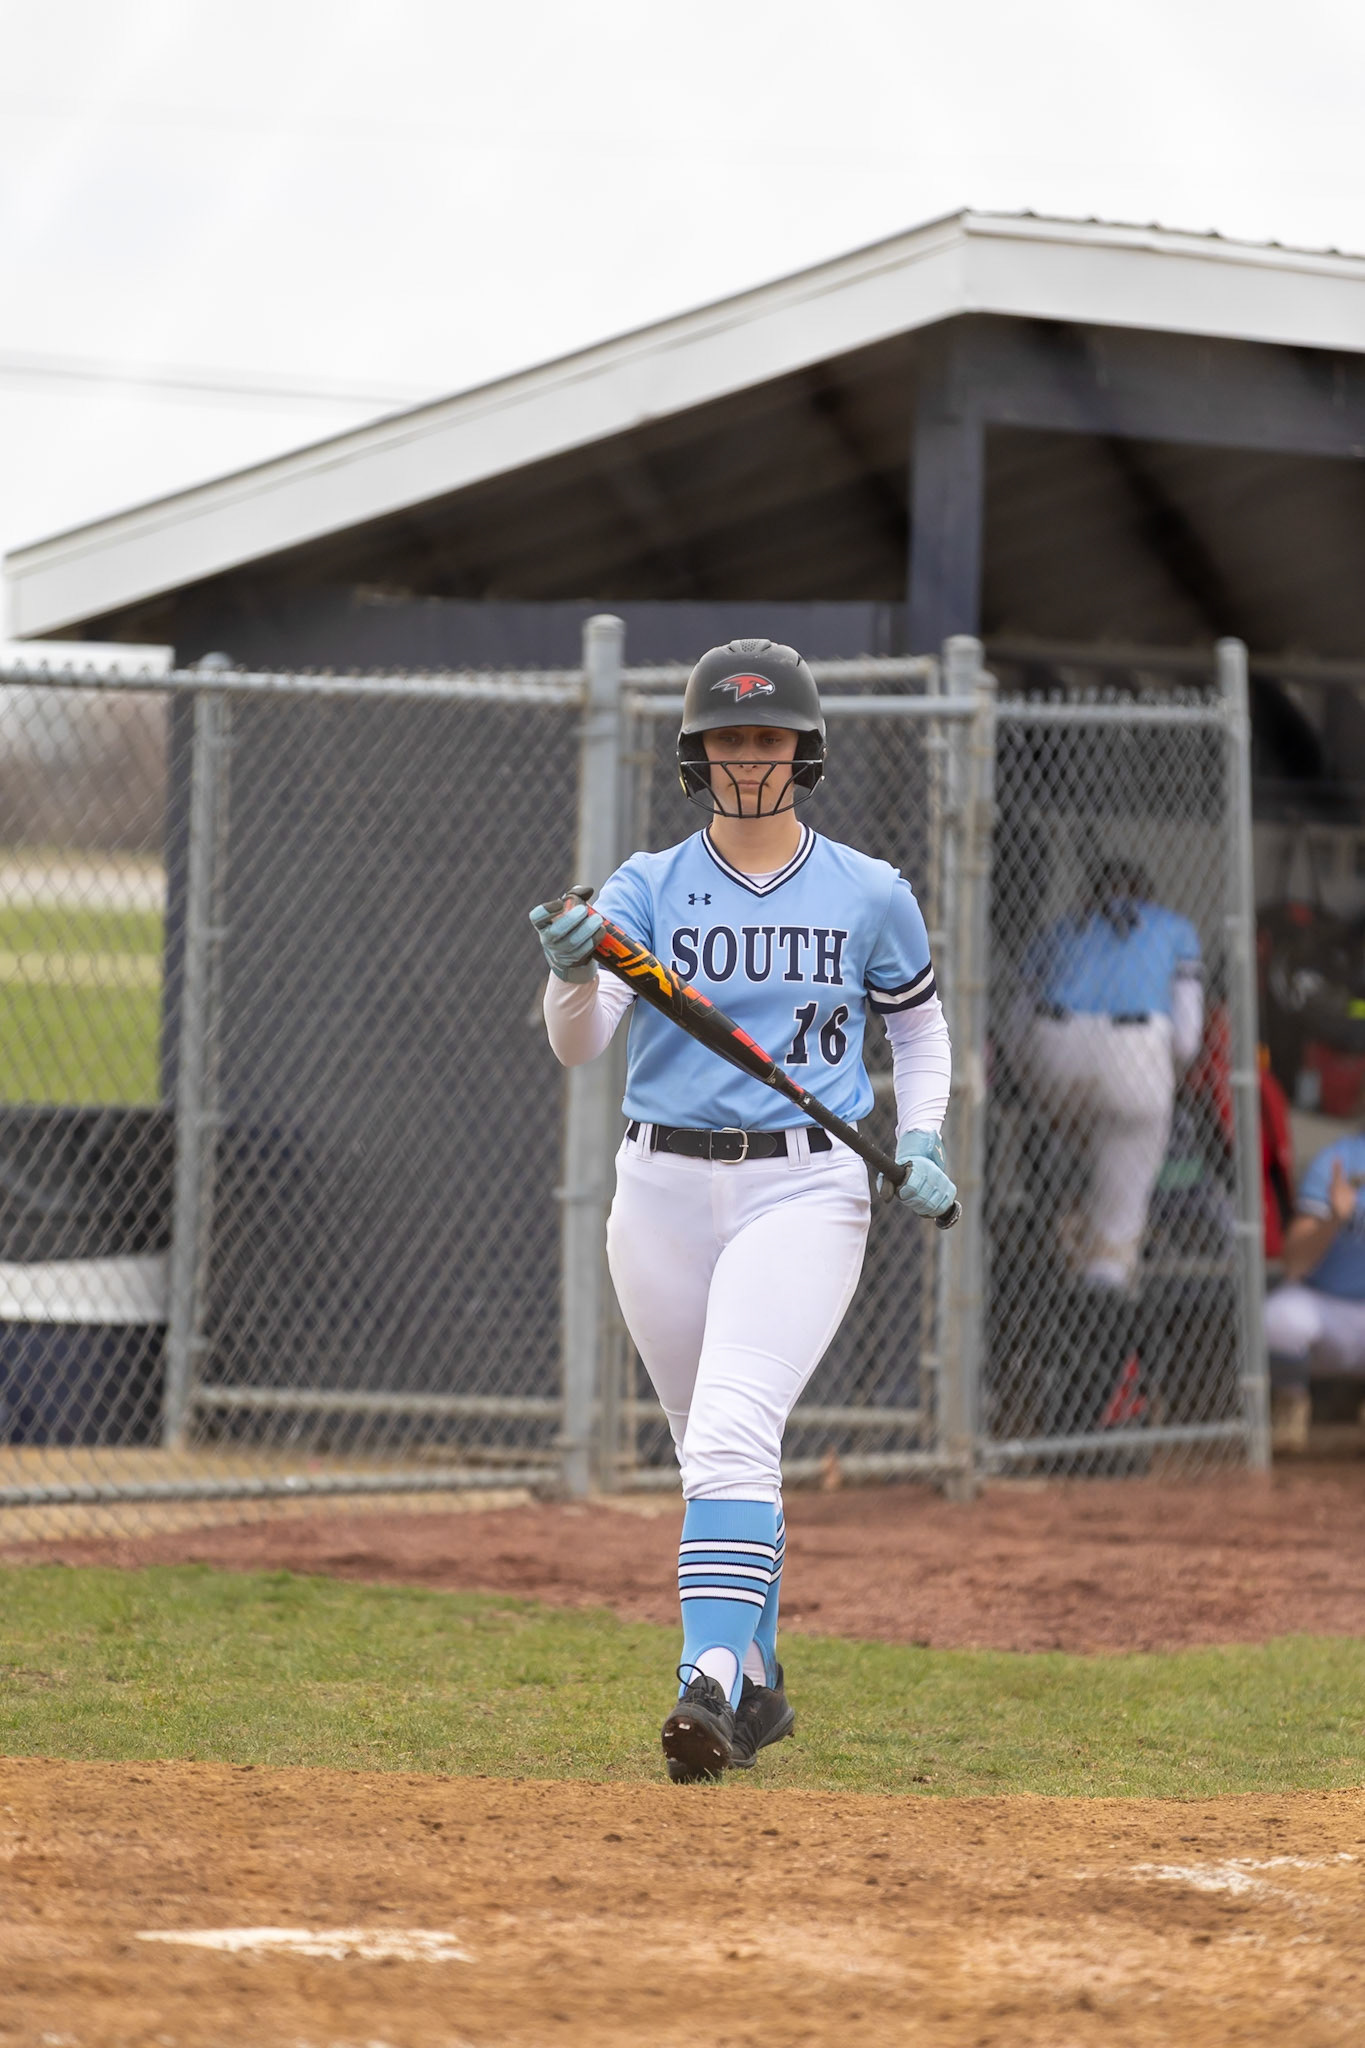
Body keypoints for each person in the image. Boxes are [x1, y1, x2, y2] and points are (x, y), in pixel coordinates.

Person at [529, 638, 955, 1784]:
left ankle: (705, 1681)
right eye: (730, 739)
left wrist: (920, 1135)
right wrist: (571, 970)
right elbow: (580, 1044)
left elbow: (919, 1028)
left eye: (769, 738)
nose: (750, 757)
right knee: (716, 1449)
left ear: (803, 751)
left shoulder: (870, 889)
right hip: (660, 1187)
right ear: (697, 755)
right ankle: (759, 1680)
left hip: (806, 1183)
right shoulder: (646, 885)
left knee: (728, 1427)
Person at [1014, 857, 1204, 1291]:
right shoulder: (1174, 929)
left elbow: (1016, 1030)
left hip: (1053, 1050)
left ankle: (1059, 1235)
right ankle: (1105, 1284)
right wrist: (1164, 1079)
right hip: (1134, 1050)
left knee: (1075, 1146)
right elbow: (1187, 1042)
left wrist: (1033, 1086)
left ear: (1090, 896)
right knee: (1127, 1162)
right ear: (1147, 898)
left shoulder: (1061, 929)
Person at [1264, 1134, 1365, 1451]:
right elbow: (1294, 1263)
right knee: (1278, 1318)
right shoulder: (1340, 1159)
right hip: (1325, 1304)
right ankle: (1289, 1405)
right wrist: (1333, 1219)